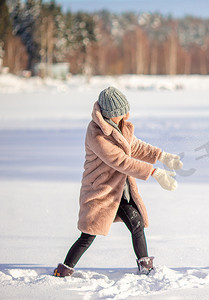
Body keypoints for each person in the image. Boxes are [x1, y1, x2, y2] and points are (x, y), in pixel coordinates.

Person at [54, 86, 183, 277]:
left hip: (121, 190)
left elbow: (135, 146)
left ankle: (145, 266)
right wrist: (155, 173)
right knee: (88, 235)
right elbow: (121, 161)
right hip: (101, 191)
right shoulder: (96, 134)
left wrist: (161, 156)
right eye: (121, 112)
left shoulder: (120, 125)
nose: (127, 115)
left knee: (136, 222)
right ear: (109, 115)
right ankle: (64, 269)